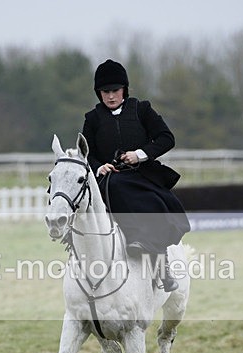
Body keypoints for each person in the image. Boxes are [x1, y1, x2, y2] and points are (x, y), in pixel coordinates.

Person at [81, 59, 190, 292]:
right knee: (108, 191)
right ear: (99, 93)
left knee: (153, 203)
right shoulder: (92, 118)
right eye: (105, 92)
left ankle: (162, 266)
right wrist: (100, 167)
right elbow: (86, 152)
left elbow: (166, 138)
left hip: (143, 174)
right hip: (109, 179)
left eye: (115, 91)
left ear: (124, 90)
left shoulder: (142, 109)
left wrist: (139, 155)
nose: (110, 96)